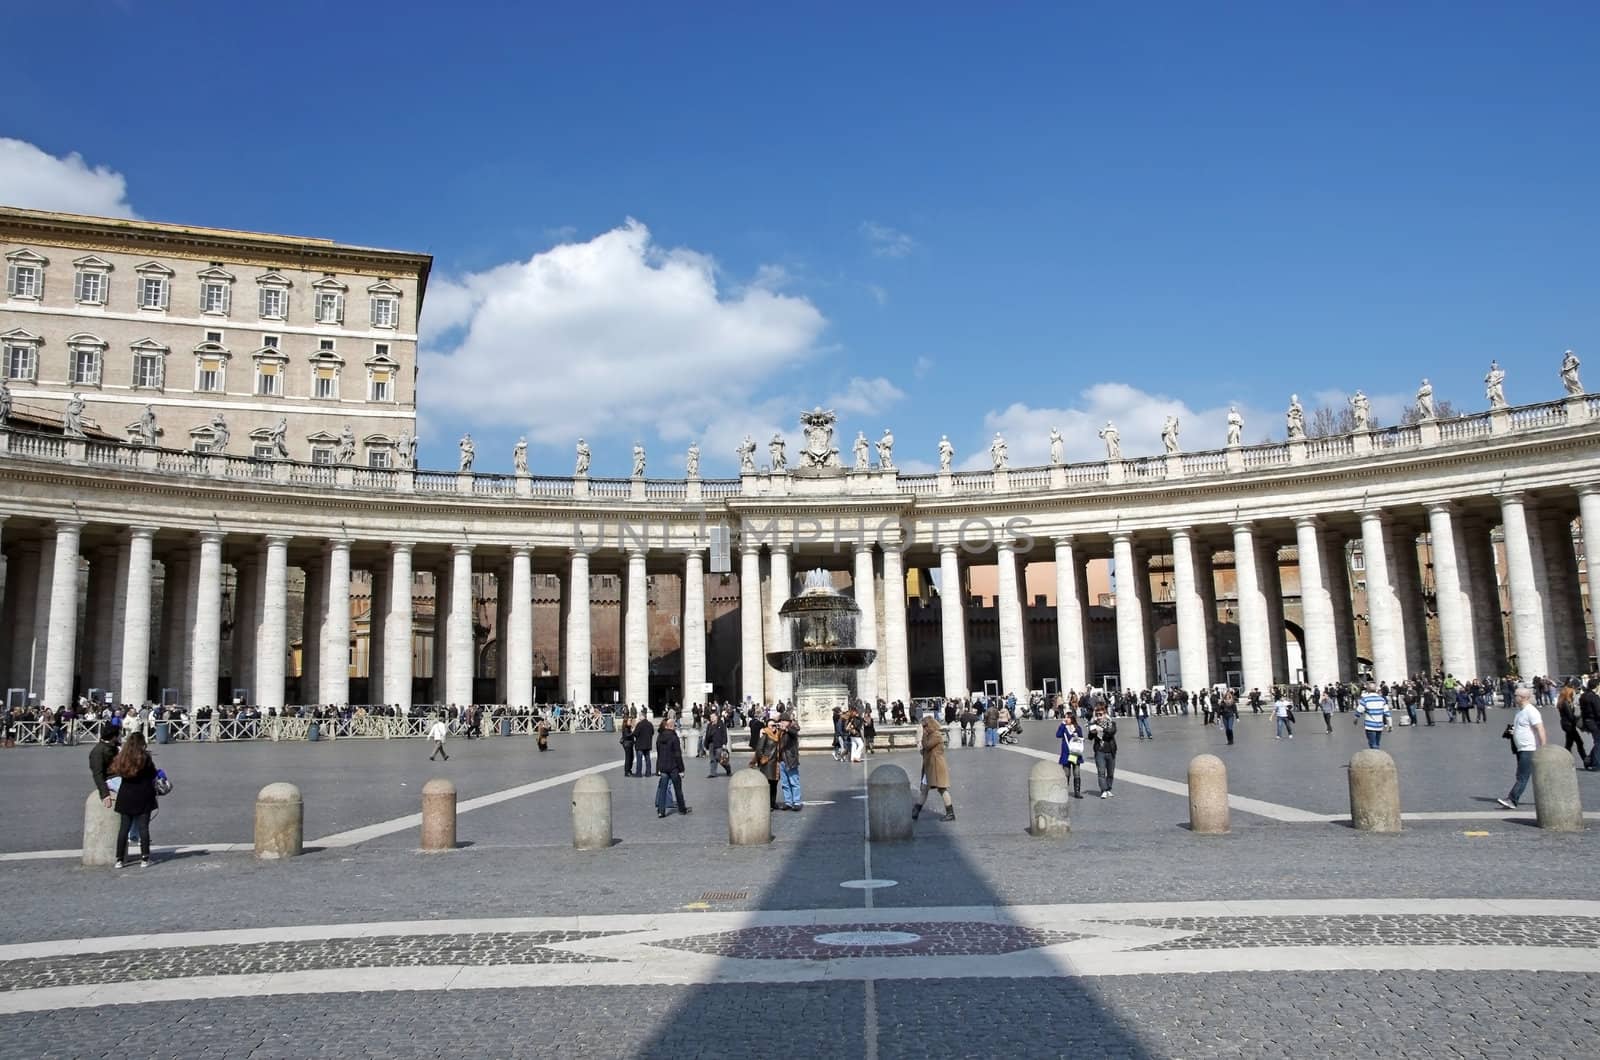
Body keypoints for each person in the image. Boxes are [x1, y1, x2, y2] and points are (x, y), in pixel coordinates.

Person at [109, 732, 159, 868]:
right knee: (143, 828)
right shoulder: (145, 757)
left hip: (126, 795)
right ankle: (145, 858)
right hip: (143, 794)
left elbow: (116, 772)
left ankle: (119, 859)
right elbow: (153, 774)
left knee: (124, 828)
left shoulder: (122, 757)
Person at [1497, 687, 1546, 810]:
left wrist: (1544, 747)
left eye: (1516, 695)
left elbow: (1540, 729)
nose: (1514, 697)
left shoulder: (1532, 711)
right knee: (1524, 775)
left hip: (1529, 748)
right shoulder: (1519, 711)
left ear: (1523, 697)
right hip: (1521, 748)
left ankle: (1512, 799)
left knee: (1522, 776)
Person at [911, 714, 955, 821]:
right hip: (929, 767)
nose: (924, 728)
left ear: (929, 725)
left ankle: (950, 813)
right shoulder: (930, 735)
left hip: (936, 766)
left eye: (925, 726)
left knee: (942, 789)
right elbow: (924, 751)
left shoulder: (936, 735)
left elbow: (927, 746)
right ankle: (916, 811)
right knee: (924, 789)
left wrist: (922, 736)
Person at [653, 716, 691, 818]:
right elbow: (677, 755)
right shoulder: (674, 738)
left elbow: (659, 754)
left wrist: (658, 768)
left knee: (663, 790)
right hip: (673, 767)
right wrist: (681, 769)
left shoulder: (659, 737)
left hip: (663, 767)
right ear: (672, 726)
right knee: (678, 789)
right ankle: (682, 809)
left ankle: (661, 811)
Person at [753, 714, 784, 810]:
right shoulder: (765, 735)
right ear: (767, 727)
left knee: (774, 785)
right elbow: (759, 749)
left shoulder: (779, 735)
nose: (773, 727)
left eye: (774, 725)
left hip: (776, 764)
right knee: (768, 785)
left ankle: (773, 803)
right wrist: (763, 759)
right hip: (767, 763)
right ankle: (767, 804)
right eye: (771, 725)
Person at [1089, 704, 1118, 798]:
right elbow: (1090, 737)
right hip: (1099, 751)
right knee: (1101, 772)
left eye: (1101, 714)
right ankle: (1103, 790)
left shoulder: (1111, 723)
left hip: (1110, 751)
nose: (1099, 717)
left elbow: (1111, 732)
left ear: (1105, 714)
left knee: (1110, 773)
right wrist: (1092, 730)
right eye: (1097, 715)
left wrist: (1102, 729)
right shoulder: (1094, 724)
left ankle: (1109, 788)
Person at [1056, 712, 1086, 799]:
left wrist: (1077, 737)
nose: (1066, 719)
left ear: (1072, 719)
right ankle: (1064, 791)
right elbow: (1058, 735)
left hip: (1075, 753)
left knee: (1077, 773)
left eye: (1067, 718)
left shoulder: (1077, 728)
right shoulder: (1064, 728)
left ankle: (1077, 792)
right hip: (1066, 753)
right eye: (1065, 717)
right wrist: (1062, 724)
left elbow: (1081, 738)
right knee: (1066, 774)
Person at [777, 716, 803, 811]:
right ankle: (788, 802)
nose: (782, 723)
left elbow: (794, 733)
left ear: (789, 722)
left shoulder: (792, 729)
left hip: (790, 759)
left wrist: (786, 729)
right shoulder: (780, 731)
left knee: (794, 781)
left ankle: (796, 802)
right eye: (781, 721)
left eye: (784, 721)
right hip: (782, 760)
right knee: (785, 783)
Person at [1358, 681, 1391, 749]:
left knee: (1372, 744)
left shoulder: (1365, 699)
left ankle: (1375, 756)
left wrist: (1356, 718)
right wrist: (1390, 725)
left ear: (1367, 690)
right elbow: (1387, 713)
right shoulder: (1382, 699)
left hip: (1369, 726)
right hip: (1379, 725)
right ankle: (1377, 754)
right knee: (1377, 743)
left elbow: (1359, 710)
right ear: (1376, 690)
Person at [704, 711, 731, 777]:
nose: (711, 718)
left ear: (716, 717)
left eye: (713, 717)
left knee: (719, 758)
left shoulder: (721, 724)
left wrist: (724, 743)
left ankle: (727, 767)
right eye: (711, 717)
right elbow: (707, 735)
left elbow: (724, 734)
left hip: (719, 743)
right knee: (712, 759)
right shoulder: (709, 725)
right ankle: (713, 773)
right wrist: (705, 744)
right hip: (711, 744)